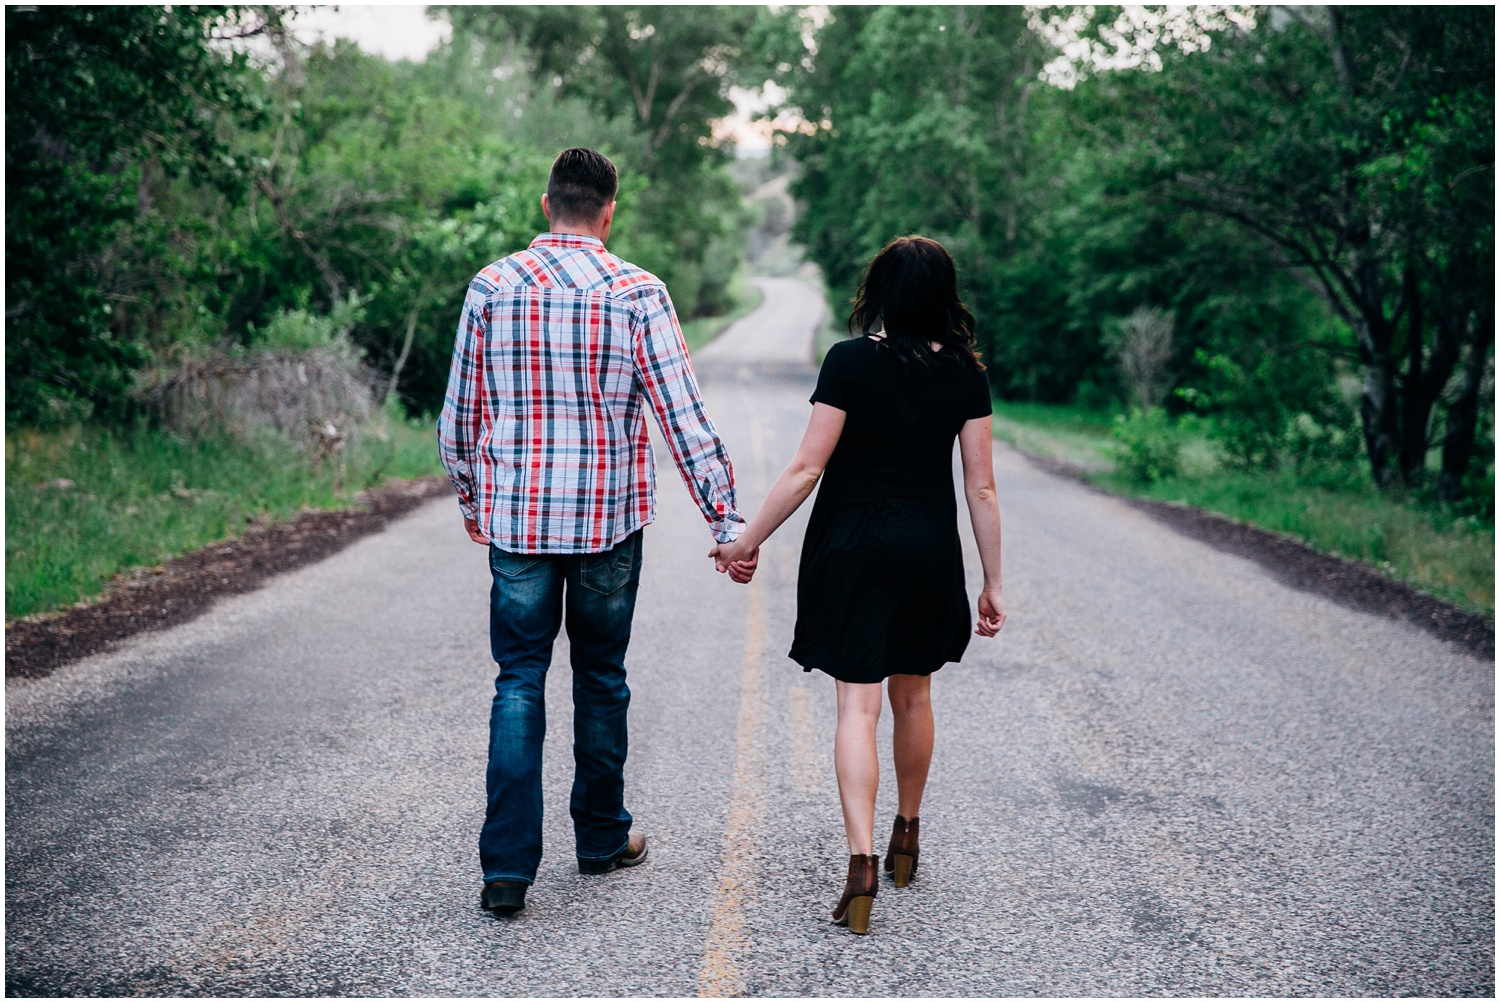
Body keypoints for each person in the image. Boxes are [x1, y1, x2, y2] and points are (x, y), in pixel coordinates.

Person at [438, 147, 757, 918]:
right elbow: (682, 416)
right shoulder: (636, 292)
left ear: (547, 203)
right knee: (601, 676)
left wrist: (473, 497)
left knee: (517, 681)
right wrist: (727, 520)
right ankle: (601, 837)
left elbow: (459, 417)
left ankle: (506, 870)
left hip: (517, 518)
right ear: (608, 211)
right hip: (606, 523)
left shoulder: (492, 286)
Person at [710, 235, 1005, 935]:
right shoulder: (966, 371)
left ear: (879, 293)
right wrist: (993, 581)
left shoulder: (847, 363)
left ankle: (862, 864)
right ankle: (907, 832)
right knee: (915, 695)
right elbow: (983, 488)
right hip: (927, 552)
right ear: (943, 297)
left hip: (853, 549)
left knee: (856, 710)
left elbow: (807, 469)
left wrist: (744, 542)